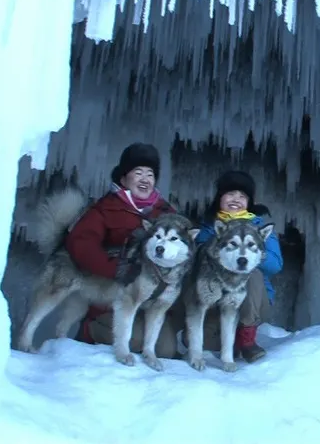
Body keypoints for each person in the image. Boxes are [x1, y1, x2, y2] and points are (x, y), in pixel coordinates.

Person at [64, 142, 179, 355]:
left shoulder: (166, 213)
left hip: (150, 301)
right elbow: (80, 244)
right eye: (138, 173)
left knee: (166, 349)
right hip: (111, 298)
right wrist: (115, 269)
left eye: (150, 174)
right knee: (134, 342)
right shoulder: (106, 208)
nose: (145, 179)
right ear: (124, 178)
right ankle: (90, 329)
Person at [193, 170, 283, 363]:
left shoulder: (259, 227)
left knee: (250, 269)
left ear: (249, 202)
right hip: (215, 301)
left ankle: (247, 337)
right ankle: (229, 339)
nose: (236, 199)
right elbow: (196, 261)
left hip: (254, 301)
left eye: (242, 196)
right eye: (230, 194)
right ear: (220, 197)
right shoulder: (210, 227)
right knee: (205, 345)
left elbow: (275, 265)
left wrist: (250, 251)